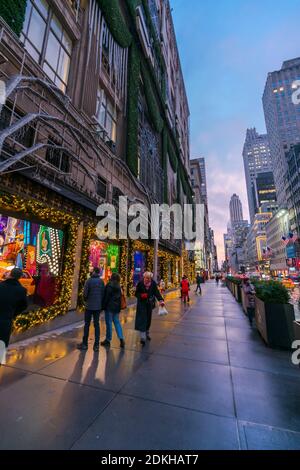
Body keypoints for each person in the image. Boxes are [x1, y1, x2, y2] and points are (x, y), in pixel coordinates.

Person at [77, 267, 105, 352]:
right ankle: (96, 345)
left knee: (87, 324)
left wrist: (86, 301)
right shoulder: (101, 282)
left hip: (89, 306)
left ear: (93, 272)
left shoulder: (89, 281)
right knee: (96, 325)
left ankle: (85, 344)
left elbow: (85, 294)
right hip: (98, 307)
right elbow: (103, 294)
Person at [0, 268, 28, 350]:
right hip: (6, 321)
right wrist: (13, 313)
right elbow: (23, 306)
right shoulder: (21, 290)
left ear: (10, 274)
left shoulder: (1, 285)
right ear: (19, 277)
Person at [135, 272, 164, 346]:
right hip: (142, 304)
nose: (147, 279)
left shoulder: (153, 284)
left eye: (149, 278)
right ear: (144, 277)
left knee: (148, 319)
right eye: (146, 278)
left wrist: (161, 300)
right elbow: (136, 293)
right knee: (143, 319)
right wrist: (141, 295)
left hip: (149, 304)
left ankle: (146, 332)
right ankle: (143, 337)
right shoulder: (140, 283)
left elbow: (156, 292)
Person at [101, 273, 125, 349]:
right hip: (116, 308)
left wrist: (103, 306)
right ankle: (121, 339)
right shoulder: (119, 286)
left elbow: (106, 297)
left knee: (109, 323)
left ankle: (108, 340)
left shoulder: (109, 285)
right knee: (117, 322)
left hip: (109, 307)